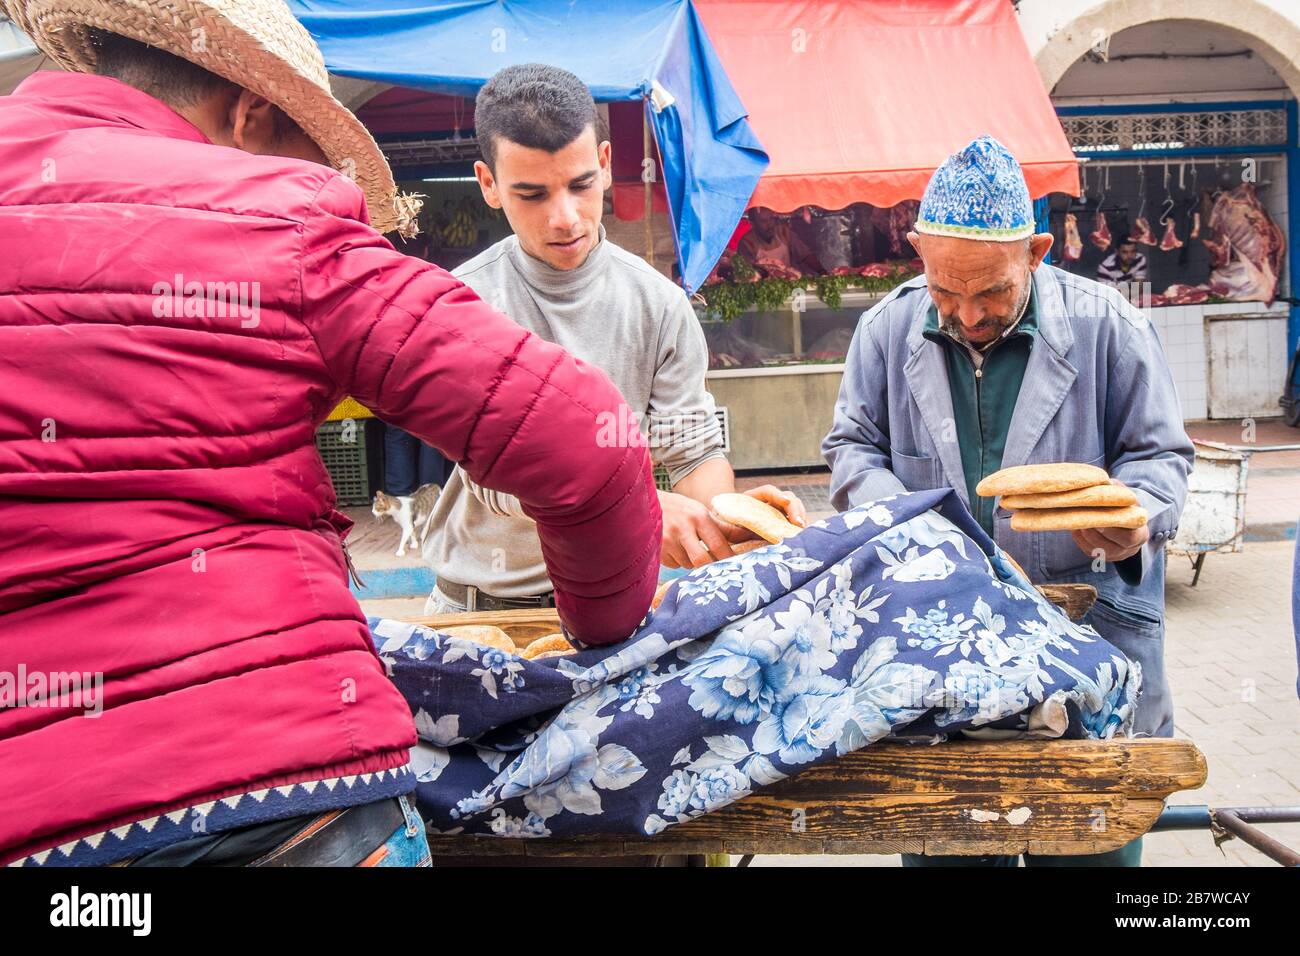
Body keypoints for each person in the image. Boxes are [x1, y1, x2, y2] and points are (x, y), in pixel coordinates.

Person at [0, 0, 662, 867]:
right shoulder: (278, 216)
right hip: (282, 796)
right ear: (251, 112)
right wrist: (603, 639)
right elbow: (583, 441)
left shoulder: (647, 301)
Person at [822, 136, 1194, 867]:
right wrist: (898, 516)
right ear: (918, 251)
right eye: (944, 289)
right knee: (951, 852)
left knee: (1089, 851)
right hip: (940, 658)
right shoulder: (887, 328)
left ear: (1037, 252)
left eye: (991, 290)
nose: (965, 312)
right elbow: (852, 448)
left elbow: (1161, 458)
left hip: (1089, 651)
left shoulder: (1108, 327)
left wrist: (1132, 522)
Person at [423, 64, 805, 617]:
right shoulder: (462, 304)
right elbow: (495, 480)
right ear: (488, 184)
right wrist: (644, 508)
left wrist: (724, 516)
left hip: (617, 609)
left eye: (580, 185)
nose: (565, 217)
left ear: (604, 164)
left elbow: (691, 446)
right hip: (480, 607)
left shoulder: (660, 305)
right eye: (531, 194)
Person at [737, 206, 822, 275]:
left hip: (788, 283)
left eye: (771, 219)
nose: (770, 224)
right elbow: (746, 273)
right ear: (752, 223)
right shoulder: (747, 243)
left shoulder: (783, 232)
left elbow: (805, 256)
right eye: (764, 221)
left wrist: (822, 272)